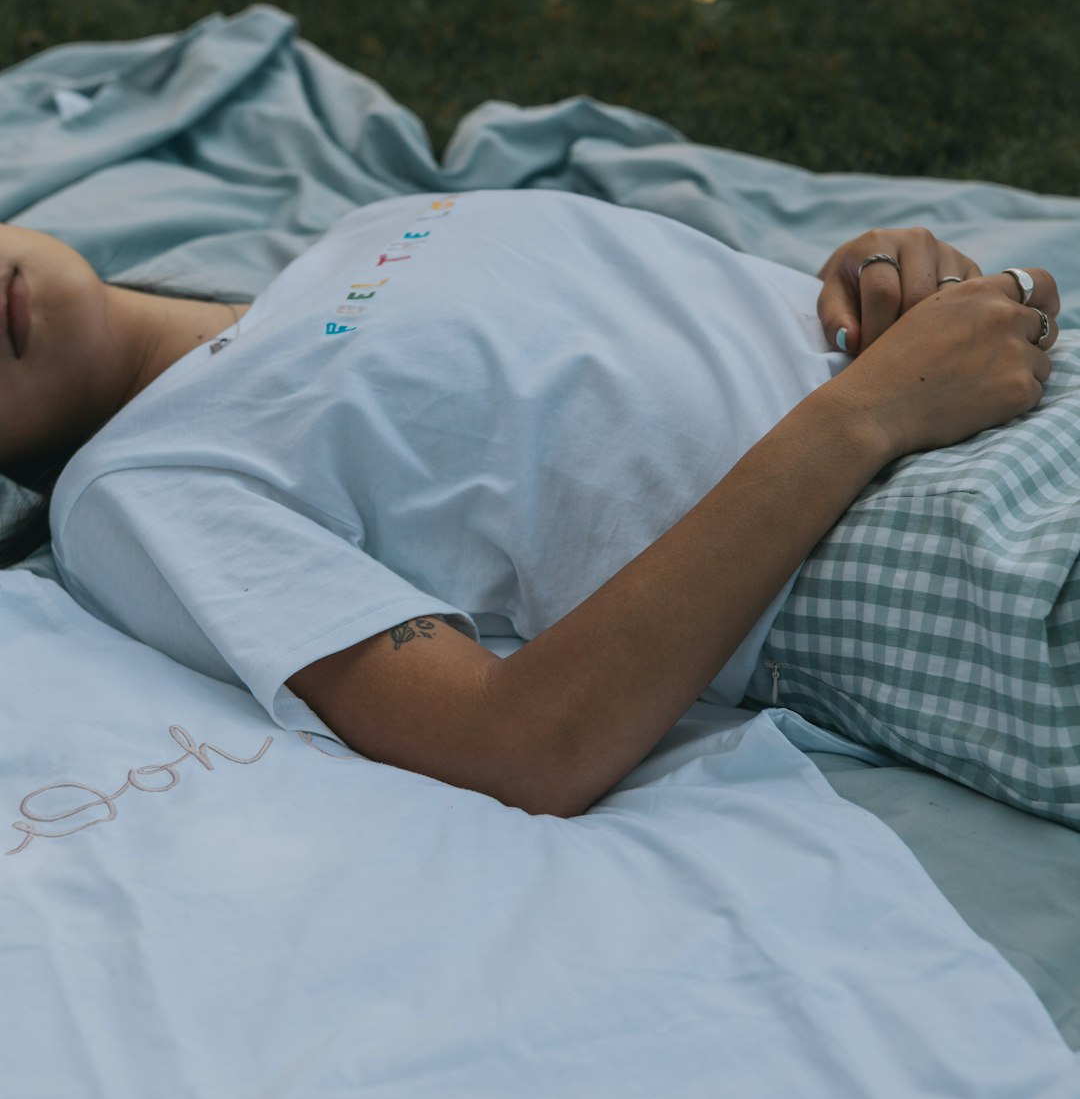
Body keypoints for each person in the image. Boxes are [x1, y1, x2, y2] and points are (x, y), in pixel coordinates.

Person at [0, 193, 1061, 818]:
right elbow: (519, 743)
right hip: (955, 544)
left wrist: (873, 284)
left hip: (1005, 379)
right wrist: (868, 412)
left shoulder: (363, 230)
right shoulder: (132, 488)